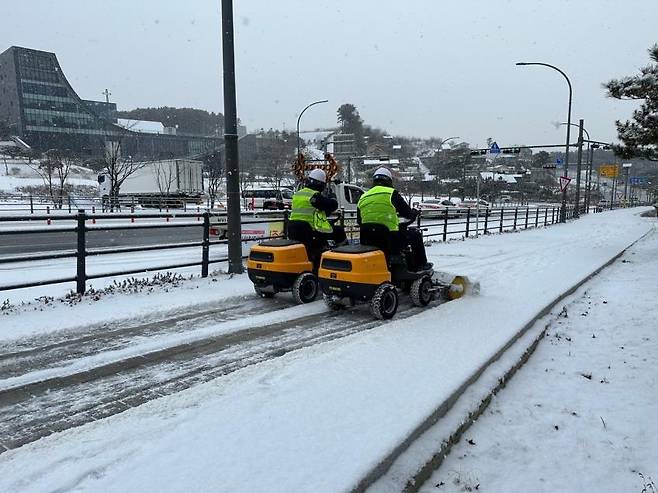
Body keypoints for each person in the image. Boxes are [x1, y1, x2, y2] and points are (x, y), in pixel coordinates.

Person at [357, 167, 431, 271]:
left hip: (368, 240)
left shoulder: (363, 196)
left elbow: (359, 221)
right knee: (415, 235)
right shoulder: (391, 193)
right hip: (389, 239)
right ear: (389, 180)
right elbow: (408, 214)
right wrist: (414, 212)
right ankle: (421, 265)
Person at [287, 168, 346, 264]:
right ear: (320, 184)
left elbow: (314, 210)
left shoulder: (298, 194)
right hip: (311, 231)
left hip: (294, 230)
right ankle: (344, 256)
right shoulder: (314, 196)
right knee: (338, 231)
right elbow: (332, 206)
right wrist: (332, 196)